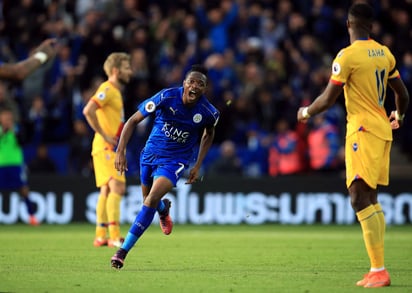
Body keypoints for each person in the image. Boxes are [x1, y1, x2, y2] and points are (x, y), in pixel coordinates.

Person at [297, 3, 409, 288]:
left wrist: (306, 112)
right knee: (369, 197)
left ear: (349, 25)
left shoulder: (346, 56)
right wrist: (400, 114)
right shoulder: (384, 53)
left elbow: (327, 98)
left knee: (358, 196)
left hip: (361, 129)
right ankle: (377, 268)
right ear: (370, 26)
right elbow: (403, 94)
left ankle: (379, 269)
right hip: (383, 130)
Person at [110, 64, 219, 269]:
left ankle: (122, 251)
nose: (195, 86)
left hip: (174, 161)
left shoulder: (208, 112)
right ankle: (163, 208)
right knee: (149, 201)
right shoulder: (166, 96)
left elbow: (209, 133)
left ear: (204, 89)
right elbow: (133, 120)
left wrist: (197, 164)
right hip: (149, 155)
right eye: (192, 82)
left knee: (149, 199)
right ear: (184, 83)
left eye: (200, 84)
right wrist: (120, 151)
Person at [83, 52, 133, 248]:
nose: (131, 71)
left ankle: (101, 235)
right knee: (117, 188)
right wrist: (104, 135)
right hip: (106, 146)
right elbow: (88, 110)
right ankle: (114, 235)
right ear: (115, 70)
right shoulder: (107, 88)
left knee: (106, 189)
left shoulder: (115, 91)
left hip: (105, 146)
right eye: (127, 67)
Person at [0, 108, 39, 225]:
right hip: (1, 165)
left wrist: (14, 132)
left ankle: (32, 216)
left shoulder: (17, 130)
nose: (7, 120)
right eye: (5, 118)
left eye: (9, 118)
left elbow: (23, 142)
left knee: (23, 189)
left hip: (16, 165)